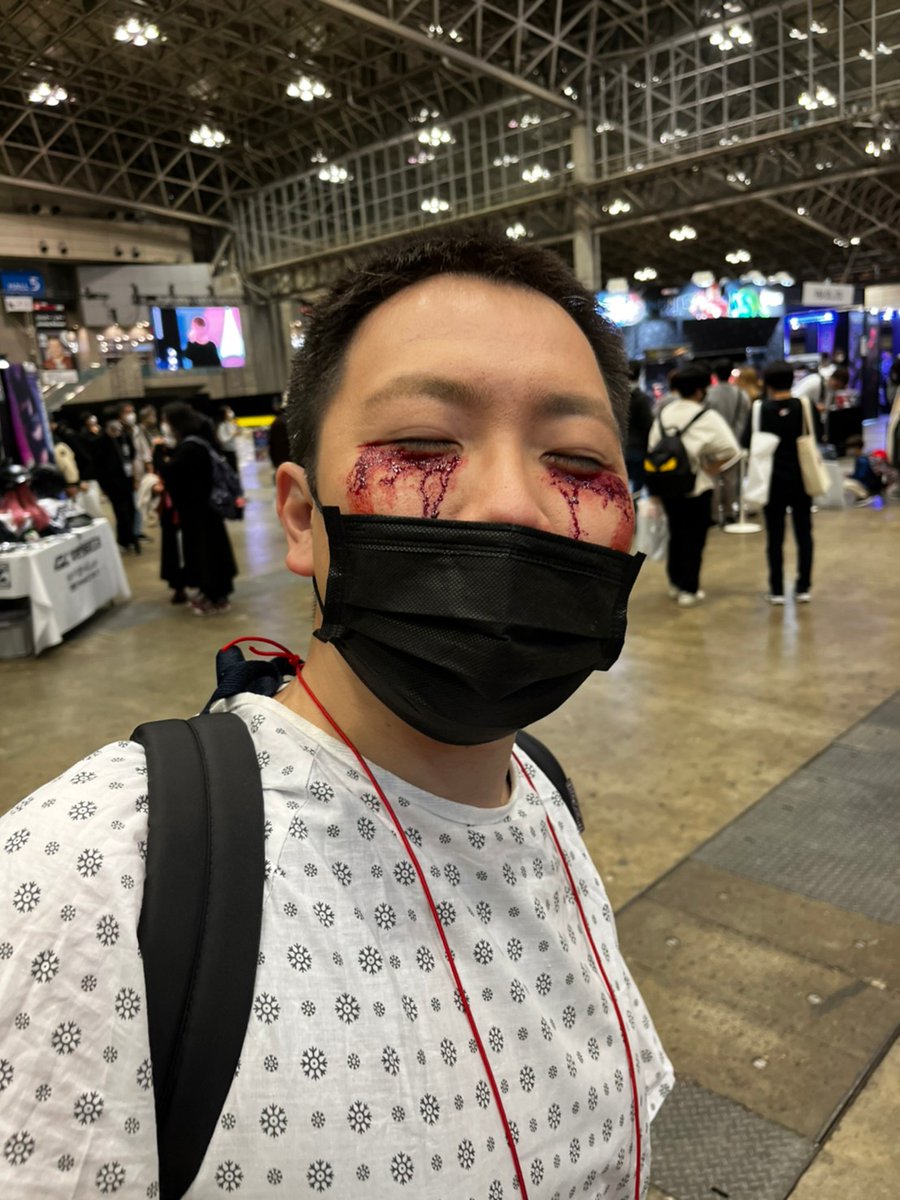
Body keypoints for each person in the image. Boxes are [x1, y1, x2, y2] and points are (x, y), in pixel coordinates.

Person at [0, 231, 672, 1199]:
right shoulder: (94, 876)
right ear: (301, 516)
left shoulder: (543, 802)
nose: (514, 505)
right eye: (423, 447)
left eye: (575, 459)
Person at [647, 365, 740, 606]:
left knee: (676, 534)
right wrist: (711, 467)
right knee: (695, 539)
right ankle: (689, 589)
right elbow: (731, 449)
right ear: (700, 391)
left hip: (668, 485)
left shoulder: (664, 414)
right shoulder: (706, 416)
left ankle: (674, 583)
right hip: (696, 486)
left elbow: (653, 447)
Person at [751, 361, 824, 604]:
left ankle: (777, 590)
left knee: (774, 537)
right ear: (792, 380)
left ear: (767, 383)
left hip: (771, 482)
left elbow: (746, 441)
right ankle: (803, 587)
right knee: (804, 533)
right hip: (802, 479)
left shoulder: (759, 409)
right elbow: (818, 434)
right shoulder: (805, 406)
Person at [156, 401, 237, 614]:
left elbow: (171, 472)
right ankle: (212, 592)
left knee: (205, 554)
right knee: (211, 551)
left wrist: (157, 455)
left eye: (166, 421)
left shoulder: (189, 447)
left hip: (198, 512)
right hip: (206, 510)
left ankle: (214, 596)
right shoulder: (197, 442)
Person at [703, 359, 750, 523]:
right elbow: (745, 417)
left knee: (714, 479)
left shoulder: (708, 394)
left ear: (715, 374)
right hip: (735, 442)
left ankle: (715, 515)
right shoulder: (741, 394)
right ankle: (730, 512)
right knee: (732, 480)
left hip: (712, 443)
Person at [92, 404, 140, 552]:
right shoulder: (101, 440)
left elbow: (132, 455)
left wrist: (135, 478)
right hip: (112, 483)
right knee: (121, 512)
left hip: (127, 479)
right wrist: (103, 487)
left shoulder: (124, 437)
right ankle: (124, 540)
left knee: (131, 510)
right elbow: (98, 466)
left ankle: (130, 538)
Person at [624, 360, 653, 494]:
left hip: (620, 448)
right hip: (639, 448)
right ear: (640, 375)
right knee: (638, 484)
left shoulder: (615, 398)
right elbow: (648, 425)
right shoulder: (641, 398)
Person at [267, 394, 291, 469]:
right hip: (293, 459)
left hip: (282, 461)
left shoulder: (277, 422)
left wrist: (275, 463)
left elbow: (272, 445)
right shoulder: (291, 420)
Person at [216, 405, 240, 473]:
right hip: (228, 451)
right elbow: (222, 439)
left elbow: (235, 433)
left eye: (230, 411)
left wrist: (236, 425)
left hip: (233, 448)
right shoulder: (221, 425)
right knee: (232, 469)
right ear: (224, 414)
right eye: (228, 412)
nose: (231, 413)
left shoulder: (230, 422)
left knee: (235, 469)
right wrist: (233, 435)